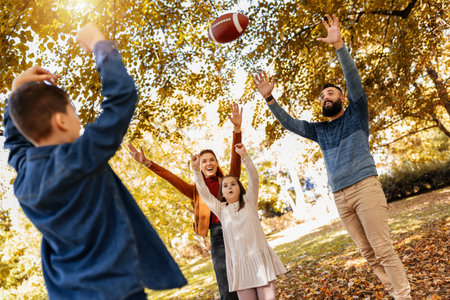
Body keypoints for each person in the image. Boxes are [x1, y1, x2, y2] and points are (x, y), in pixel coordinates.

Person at [3, 23, 186, 300]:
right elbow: (121, 99)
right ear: (61, 120)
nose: (79, 119)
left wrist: (17, 89)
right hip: (114, 290)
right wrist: (100, 46)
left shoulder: (24, 176)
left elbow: (14, 143)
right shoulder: (79, 157)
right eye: (73, 111)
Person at [253, 14, 411, 299]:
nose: (326, 97)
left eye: (331, 93)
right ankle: (394, 292)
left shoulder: (356, 114)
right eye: (323, 96)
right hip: (340, 195)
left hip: (365, 187)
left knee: (382, 247)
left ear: (341, 98)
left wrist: (339, 45)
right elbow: (291, 124)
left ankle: (404, 295)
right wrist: (269, 99)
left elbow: (353, 79)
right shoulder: (320, 131)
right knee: (367, 252)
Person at [127, 102, 242, 300]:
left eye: (211, 159)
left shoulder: (228, 182)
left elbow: (236, 157)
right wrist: (147, 163)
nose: (208, 163)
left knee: (245, 279)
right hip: (217, 238)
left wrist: (237, 130)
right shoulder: (196, 191)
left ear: (216, 163)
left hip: (237, 232)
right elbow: (171, 178)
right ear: (198, 165)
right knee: (226, 285)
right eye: (204, 160)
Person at [191, 143, 286, 300]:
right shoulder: (221, 210)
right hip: (240, 268)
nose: (229, 187)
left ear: (240, 187)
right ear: (221, 192)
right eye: (225, 185)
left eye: (233, 184)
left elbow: (254, 178)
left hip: (260, 263)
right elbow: (204, 192)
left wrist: (244, 156)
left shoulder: (249, 202)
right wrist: (195, 170)